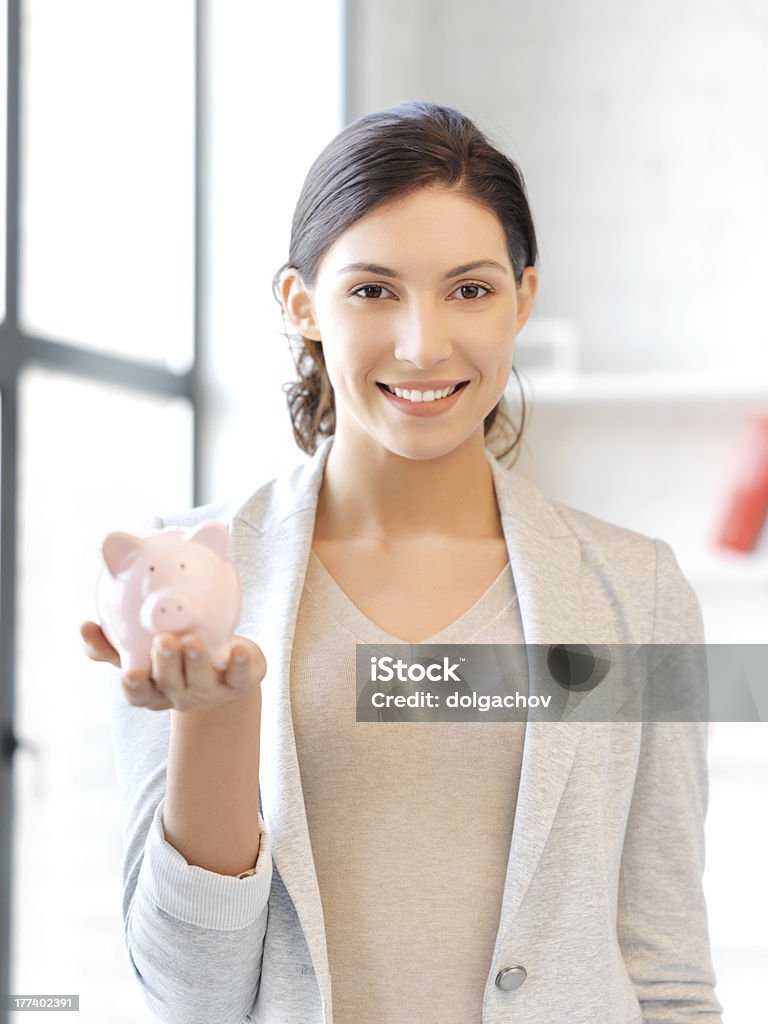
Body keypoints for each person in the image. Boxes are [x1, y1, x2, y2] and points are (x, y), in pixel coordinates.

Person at [82, 101, 723, 1024]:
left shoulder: (641, 592)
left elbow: (668, 971)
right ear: (301, 305)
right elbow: (191, 998)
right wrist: (215, 722)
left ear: (523, 297)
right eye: (373, 290)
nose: (424, 344)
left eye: (470, 289)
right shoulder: (183, 581)